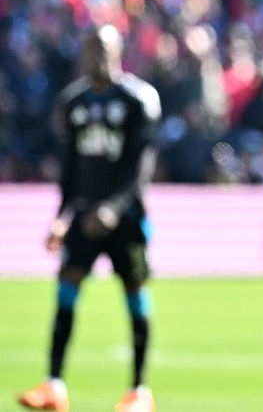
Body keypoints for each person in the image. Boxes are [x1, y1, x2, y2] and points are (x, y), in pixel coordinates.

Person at [17, 25, 162, 412]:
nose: (95, 56)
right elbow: (70, 170)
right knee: (66, 288)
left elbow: (141, 166)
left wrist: (114, 208)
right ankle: (54, 385)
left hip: (126, 217)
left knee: (134, 293)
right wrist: (61, 216)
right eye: (90, 48)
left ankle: (138, 391)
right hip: (84, 215)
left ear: (118, 52)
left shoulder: (138, 99)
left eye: (103, 48)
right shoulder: (73, 102)